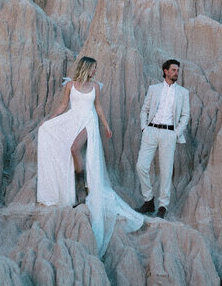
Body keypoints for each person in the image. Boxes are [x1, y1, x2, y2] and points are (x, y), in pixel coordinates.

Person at [37, 56, 143, 256]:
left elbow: (98, 107)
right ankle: (79, 185)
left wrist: (106, 125)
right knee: (67, 148)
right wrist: (49, 121)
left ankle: (81, 189)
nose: (95, 71)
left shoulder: (95, 86)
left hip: (89, 121)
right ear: (86, 68)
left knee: (75, 148)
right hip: (72, 119)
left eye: (96, 68)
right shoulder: (70, 85)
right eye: (93, 68)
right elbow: (62, 105)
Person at [136, 59, 190, 219]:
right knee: (141, 166)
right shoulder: (154, 89)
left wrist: (176, 132)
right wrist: (144, 128)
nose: (176, 73)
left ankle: (162, 206)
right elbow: (144, 109)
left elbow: (185, 115)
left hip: (169, 134)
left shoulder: (183, 92)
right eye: (173, 70)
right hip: (151, 131)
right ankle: (148, 200)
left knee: (166, 171)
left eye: (177, 70)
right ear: (165, 71)